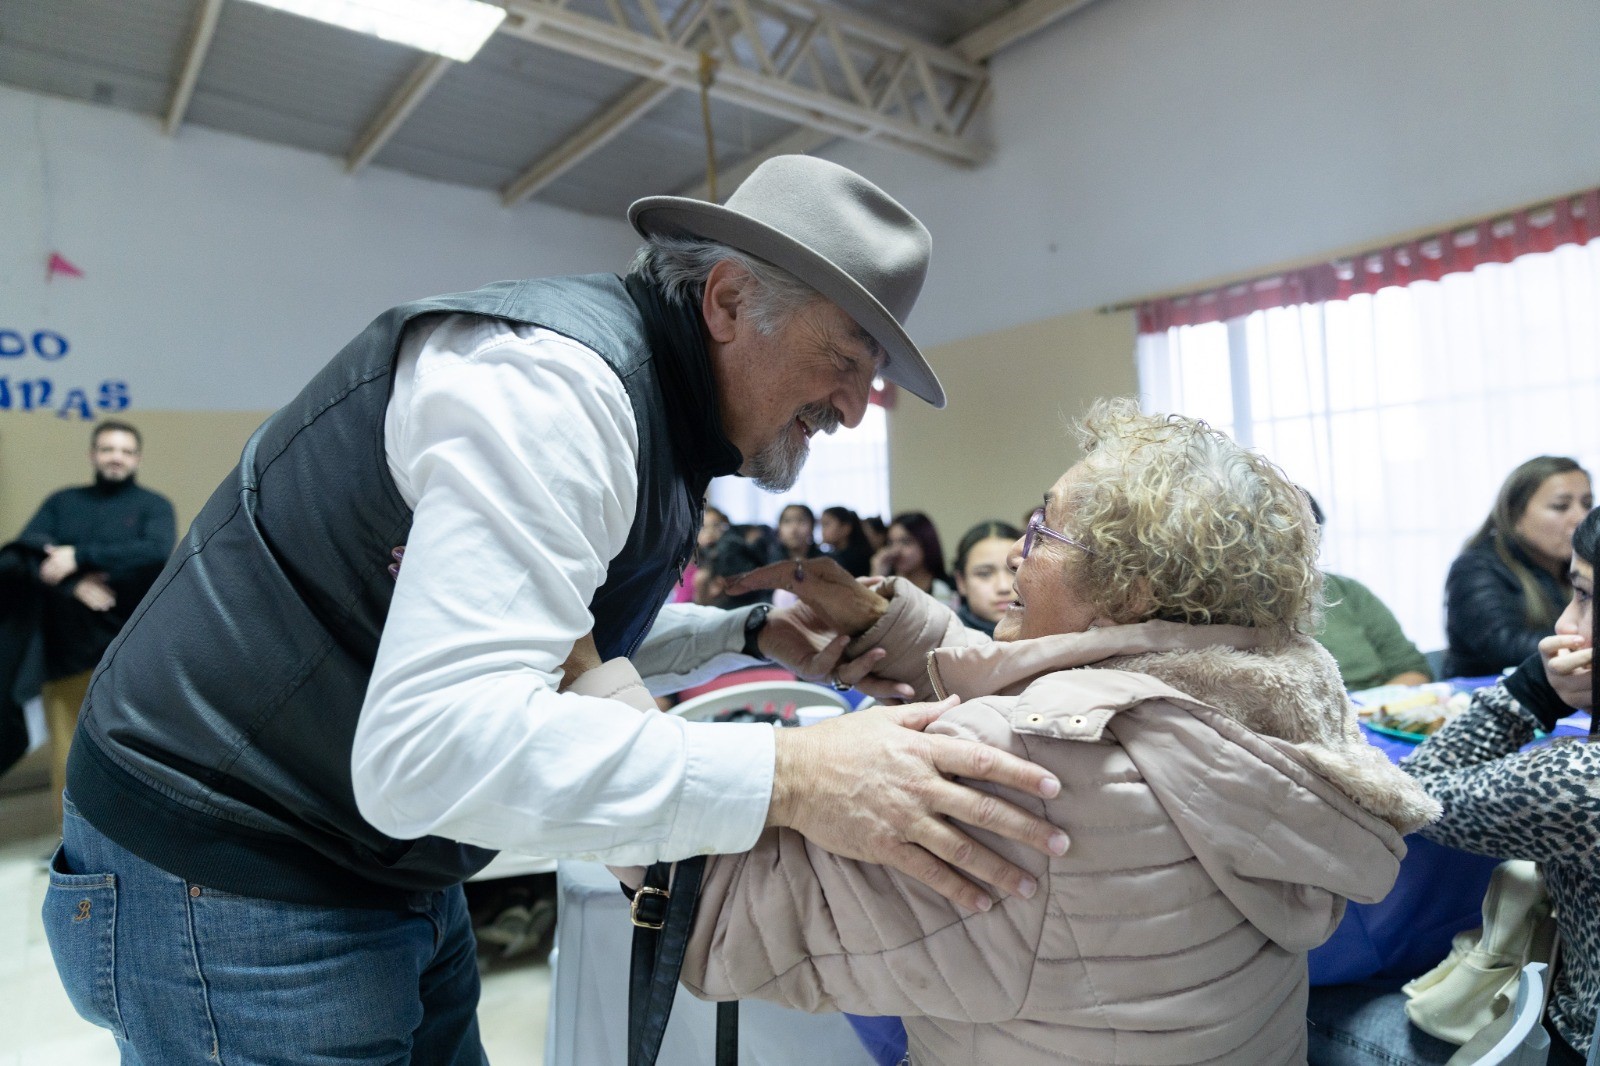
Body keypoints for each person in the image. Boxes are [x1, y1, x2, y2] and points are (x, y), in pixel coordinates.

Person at [42, 155, 1066, 1063]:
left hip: (369, 856)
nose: (852, 408)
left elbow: (531, 639)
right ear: (725, 299)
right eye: (845, 364)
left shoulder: (655, 407)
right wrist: (794, 775)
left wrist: (741, 632)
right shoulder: (554, 393)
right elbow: (430, 751)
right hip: (232, 864)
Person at [595, 399, 1438, 1065]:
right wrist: (888, 625)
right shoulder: (1274, 699)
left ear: (1131, 585)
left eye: (1040, 532)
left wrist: (583, 667)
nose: (1020, 552)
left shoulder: (1027, 759)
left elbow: (713, 920)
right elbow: (1103, 697)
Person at [1307, 507, 1598, 1065]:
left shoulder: (1574, 782)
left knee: (1300, 1002)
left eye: (1583, 596)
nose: (1564, 624)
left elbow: (1410, 796)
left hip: (1568, 1041)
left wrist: (1535, 689)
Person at [13, 420, 175, 821]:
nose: (115, 457)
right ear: (92, 454)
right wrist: (75, 584)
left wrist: (78, 557)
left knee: (135, 752)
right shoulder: (62, 503)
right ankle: (71, 840)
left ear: (136, 457)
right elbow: (26, 554)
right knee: (68, 754)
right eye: (107, 449)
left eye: (124, 450)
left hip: (131, 651)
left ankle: (133, 839)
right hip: (65, 651)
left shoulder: (153, 506)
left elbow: (154, 552)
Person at [1444, 456, 1592, 677]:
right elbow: (1504, 647)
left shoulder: (1576, 564)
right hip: (1491, 695)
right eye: (1561, 506)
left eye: (1587, 504)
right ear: (1515, 515)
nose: (1582, 517)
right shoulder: (1476, 568)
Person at [1303, 492, 1432, 689]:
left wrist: (1377, 708)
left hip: (1374, 709)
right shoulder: (1244, 611)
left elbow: (1412, 669)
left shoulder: (1348, 591)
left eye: (1311, 533)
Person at [949, 519, 1021, 636]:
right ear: (961, 582)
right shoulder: (942, 643)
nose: (1003, 587)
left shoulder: (1054, 637)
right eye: (984, 574)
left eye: (1015, 570)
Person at [872, 510, 955, 604]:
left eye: (906, 542)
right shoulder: (888, 586)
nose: (895, 551)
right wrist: (877, 576)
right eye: (891, 543)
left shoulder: (948, 588)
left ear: (926, 543)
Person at [819, 505, 874, 577]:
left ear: (846, 528)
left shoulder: (856, 559)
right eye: (822, 525)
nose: (822, 531)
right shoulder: (833, 555)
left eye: (826, 524)